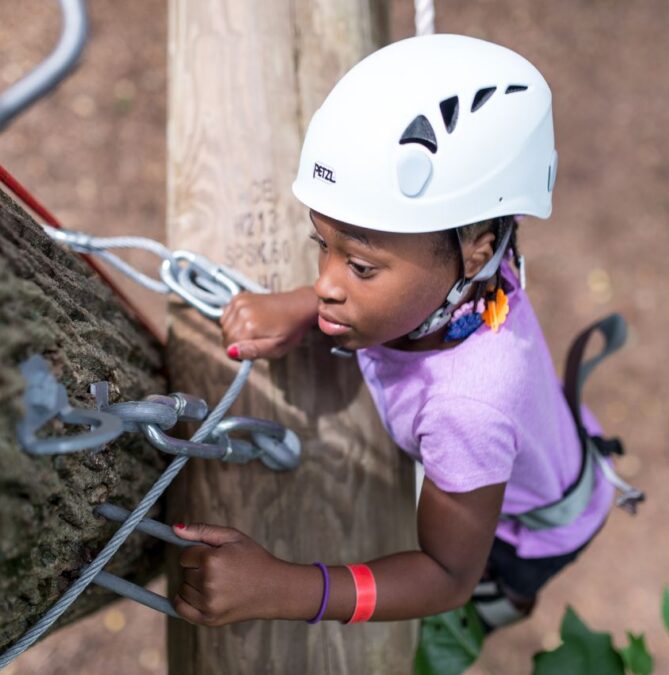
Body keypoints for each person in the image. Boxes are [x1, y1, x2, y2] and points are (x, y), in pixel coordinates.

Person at [170, 34, 625, 634]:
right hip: (532, 445)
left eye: (359, 267)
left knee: (491, 586)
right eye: (321, 247)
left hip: (529, 529)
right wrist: (308, 307)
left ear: (475, 253)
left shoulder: (467, 410)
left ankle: (510, 598)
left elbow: (444, 574)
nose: (327, 283)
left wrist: (284, 587)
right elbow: (384, 272)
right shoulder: (475, 258)